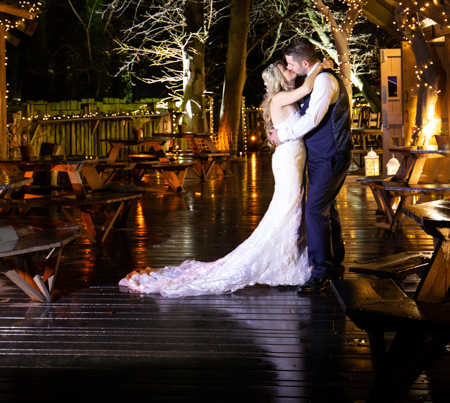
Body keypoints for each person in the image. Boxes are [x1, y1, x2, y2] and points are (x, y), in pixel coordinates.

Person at [118, 59, 328, 297]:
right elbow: (308, 88)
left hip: (295, 158)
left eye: (290, 67)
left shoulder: (288, 96)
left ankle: (289, 259)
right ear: (278, 78)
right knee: (288, 208)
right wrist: (319, 67)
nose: (291, 70)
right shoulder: (280, 98)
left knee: (293, 209)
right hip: (288, 160)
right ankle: (282, 263)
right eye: (286, 69)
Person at [268, 37, 350, 294]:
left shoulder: (324, 80)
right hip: (320, 156)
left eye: (291, 64)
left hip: (331, 155)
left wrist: (283, 135)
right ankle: (334, 266)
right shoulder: (313, 80)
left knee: (314, 211)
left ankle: (321, 272)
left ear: (305, 62)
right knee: (327, 209)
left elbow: (313, 118)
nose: (290, 68)